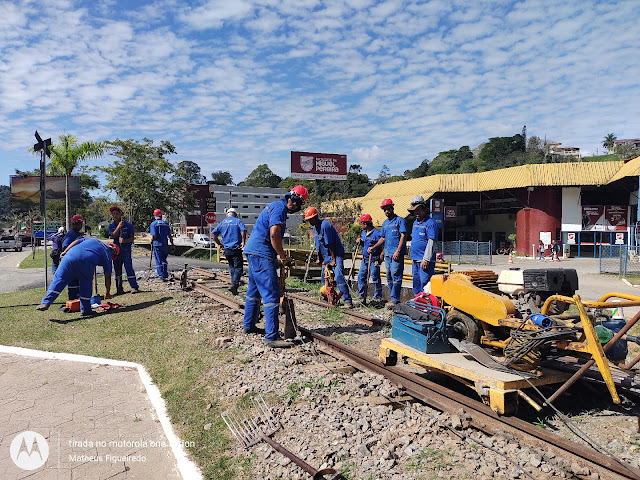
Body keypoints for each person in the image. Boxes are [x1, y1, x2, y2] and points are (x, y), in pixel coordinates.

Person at [243, 185, 308, 348]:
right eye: (295, 201)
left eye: (298, 203)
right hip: (261, 253)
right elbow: (274, 235)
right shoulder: (279, 209)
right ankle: (271, 336)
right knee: (271, 293)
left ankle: (249, 325)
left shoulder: (275, 207)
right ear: (290, 198)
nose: (295, 205)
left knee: (254, 291)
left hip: (253, 251)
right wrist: (284, 257)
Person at [36, 238, 117, 317]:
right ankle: (86, 310)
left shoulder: (93, 239)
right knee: (86, 284)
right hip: (86, 260)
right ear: (114, 252)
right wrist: (107, 292)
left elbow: (76, 241)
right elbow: (107, 276)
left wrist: (65, 251)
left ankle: (46, 302)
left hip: (69, 255)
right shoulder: (108, 255)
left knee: (59, 279)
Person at [304, 206, 353, 308]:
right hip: (326, 255)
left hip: (336, 254)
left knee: (338, 275)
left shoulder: (325, 226)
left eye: (310, 219)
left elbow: (330, 244)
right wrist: (320, 258)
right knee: (324, 276)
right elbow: (318, 244)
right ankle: (327, 297)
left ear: (316, 217)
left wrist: (333, 260)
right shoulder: (315, 228)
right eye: (308, 220)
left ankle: (347, 300)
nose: (309, 221)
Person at [370, 198, 407, 308]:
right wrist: (374, 247)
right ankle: (392, 298)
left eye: (388, 209)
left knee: (396, 275)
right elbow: (383, 238)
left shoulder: (400, 220)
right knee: (389, 276)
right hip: (387, 254)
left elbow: (403, 236)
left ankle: (395, 299)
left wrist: (398, 251)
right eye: (385, 210)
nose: (387, 211)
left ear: (392, 208)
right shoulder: (385, 223)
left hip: (396, 254)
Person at [408, 195, 439, 296]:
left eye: (418, 210)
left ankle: (426, 303)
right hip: (415, 259)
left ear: (423, 209)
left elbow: (431, 242)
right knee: (416, 283)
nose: (416, 213)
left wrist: (426, 259)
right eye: (414, 211)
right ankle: (417, 301)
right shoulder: (415, 223)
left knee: (425, 283)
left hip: (424, 261)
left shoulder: (430, 223)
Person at [212, 208, 247, 295]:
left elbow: (213, 235)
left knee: (231, 267)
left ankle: (233, 285)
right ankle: (234, 285)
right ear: (235, 215)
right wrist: (243, 241)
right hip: (236, 248)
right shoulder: (238, 221)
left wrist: (219, 244)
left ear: (227, 215)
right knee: (238, 267)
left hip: (227, 249)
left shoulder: (222, 223)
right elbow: (243, 230)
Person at [108, 205, 139, 294]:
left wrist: (125, 241)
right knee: (117, 270)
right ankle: (119, 289)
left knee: (128, 268)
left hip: (126, 250)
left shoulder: (128, 225)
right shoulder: (111, 225)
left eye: (117, 214)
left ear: (120, 214)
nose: (115, 215)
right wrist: (118, 227)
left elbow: (132, 238)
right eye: (113, 214)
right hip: (116, 251)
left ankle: (134, 287)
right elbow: (112, 235)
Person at [356, 214, 383, 302]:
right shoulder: (363, 233)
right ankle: (361, 295)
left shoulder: (377, 234)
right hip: (365, 259)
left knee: (375, 277)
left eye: (361, 223)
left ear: (365, 224)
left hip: (374, 259)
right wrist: (360, 241)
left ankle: (377, 297)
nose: (361, 225)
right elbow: (364, 243)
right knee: (361, 276)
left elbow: (383, 243)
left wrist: (378, 252)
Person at [62, 214, 86, 301]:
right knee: (73, 282)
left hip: (79, 261)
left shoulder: (78, 234)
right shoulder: (71, 234)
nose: (80, 226)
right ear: (74, 224)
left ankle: (78, 298)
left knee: (79, 281)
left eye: (81, 224)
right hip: (72, 261)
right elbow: (64, 246)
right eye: (78, 224)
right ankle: (72, 299)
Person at [150, 209, 174, 281]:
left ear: (155, 215)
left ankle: (161, 276)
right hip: (165, 244)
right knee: (164, 260)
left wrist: (151, 240)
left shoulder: (153, 224)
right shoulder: (166, 224)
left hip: (157, 244)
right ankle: (165, 274)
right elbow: (170, 236)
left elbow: (154, 235)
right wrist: (172, 244)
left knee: (158, 260)